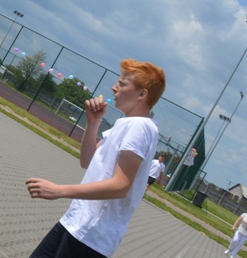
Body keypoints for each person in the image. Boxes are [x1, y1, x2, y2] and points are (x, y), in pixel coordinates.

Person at [25, 58, 166, 258]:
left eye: (122, 84)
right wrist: (93, 122)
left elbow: (121, 186)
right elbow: (87, 161)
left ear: (142, 94)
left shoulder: (140, 127)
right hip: (75, 223)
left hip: (91, 237)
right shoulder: (125, 124)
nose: (114, 88)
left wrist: (59, 190)